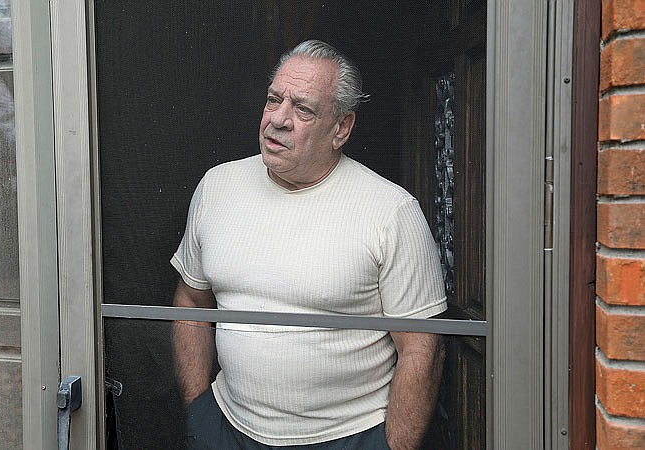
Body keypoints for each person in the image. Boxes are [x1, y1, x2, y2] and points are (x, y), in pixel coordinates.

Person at [172, 40, 447, 450]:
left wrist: (391, 447)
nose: (278, 120)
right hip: (226, 428)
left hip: (349, 438)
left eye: (302, 109)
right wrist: (199, 413)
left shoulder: (391, 212)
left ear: (341, 129)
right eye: (273, 100)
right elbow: (192, 301)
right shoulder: (217, 187)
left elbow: (423, 348)